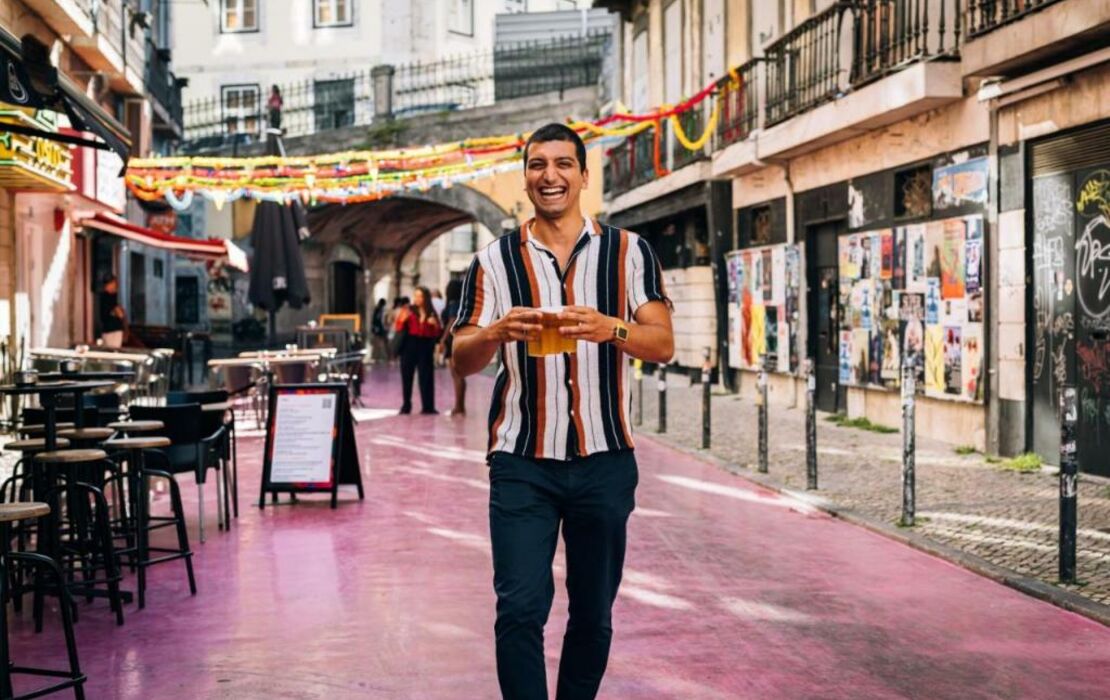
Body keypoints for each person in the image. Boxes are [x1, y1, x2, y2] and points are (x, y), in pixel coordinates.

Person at [451, 123, 673, 700]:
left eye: (563, 164)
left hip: (605, 461)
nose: (550, 175)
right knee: (520, 609)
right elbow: (459, 360)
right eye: (537, 164)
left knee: (593, 613)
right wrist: (496, 331)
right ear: (525, 175)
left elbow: (663, 342)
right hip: (522, 462)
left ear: (582, 175)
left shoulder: (628, 252)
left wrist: (610, 327)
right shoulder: (493, 262)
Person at [395, 287, 441, 414]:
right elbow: (398, 326)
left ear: (425, 298)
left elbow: (437, 332)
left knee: (426, 377)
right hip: (409, 345)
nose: (417, 299)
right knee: (407, 376)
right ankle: (406, 405)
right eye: (415, 296)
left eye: (420, 296)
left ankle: (428, 407)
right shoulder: (408, 310)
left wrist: (434, 325)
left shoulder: (431, 312)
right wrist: (402, 319)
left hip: (425, 346)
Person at [439, 278, 466, 415]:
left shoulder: (454, 303)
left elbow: (451, 320)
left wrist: (443, 339)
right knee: (459, 374)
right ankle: (460, 405)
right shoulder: (462, 303)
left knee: (456, 374)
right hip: (457, 339)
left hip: (452, 340)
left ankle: (458, 406)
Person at [98, 274, 127, 348]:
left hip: (110, 330)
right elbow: (120, 314)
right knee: (113, 351)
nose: (115, 286)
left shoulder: (109, 297)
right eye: (114, 283)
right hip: (112, 330)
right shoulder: (108, 297)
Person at [370, 298, 388, 362]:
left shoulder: (379, 310)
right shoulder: (378, 310)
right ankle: (378, 357)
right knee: (378, 344)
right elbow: (377, 320)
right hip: (379, 330)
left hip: (379, 329)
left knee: (379, 344)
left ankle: (379, 357)